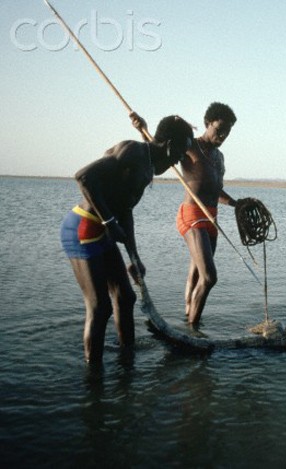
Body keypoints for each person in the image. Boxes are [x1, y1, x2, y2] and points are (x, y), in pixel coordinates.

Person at [60, 115, 194, 364]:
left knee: (126, 297)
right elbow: (83, 177)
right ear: (169, 145)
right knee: (100, 308)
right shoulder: (133, 151)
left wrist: (134, 257)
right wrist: (109, 223)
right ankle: (94, 380)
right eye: (180, 152)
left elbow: (126, 211)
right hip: (83, 228)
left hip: (104, 231)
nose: (180, 159)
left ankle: (127, 363)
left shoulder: (148, 165)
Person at [177, 102, 238, 326]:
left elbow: (215, 190)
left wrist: (235, 203)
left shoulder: (219, 157)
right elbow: (159, 147)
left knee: (196, 271)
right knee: (209, 277)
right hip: (192, 214)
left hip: (211, 216)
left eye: (227, 132)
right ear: (207, 124)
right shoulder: (190, 146)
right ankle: (193, 329)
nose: (222, 135)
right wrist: (141, 127)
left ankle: (187, 315)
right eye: (218, 129)